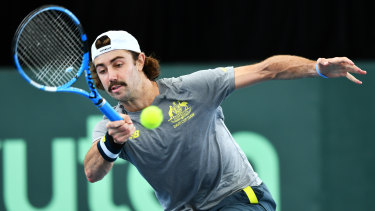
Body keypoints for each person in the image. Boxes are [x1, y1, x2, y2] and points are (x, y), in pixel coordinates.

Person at [83, 30, 366, 211]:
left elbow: (267, 70)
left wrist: (317, 68)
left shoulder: (192, 88)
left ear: (140, 61)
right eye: (102, 70)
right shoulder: (111, 127)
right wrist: (110, 143)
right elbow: (92, 172)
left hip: (238, 199)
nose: (111, 76)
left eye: (118, 63)